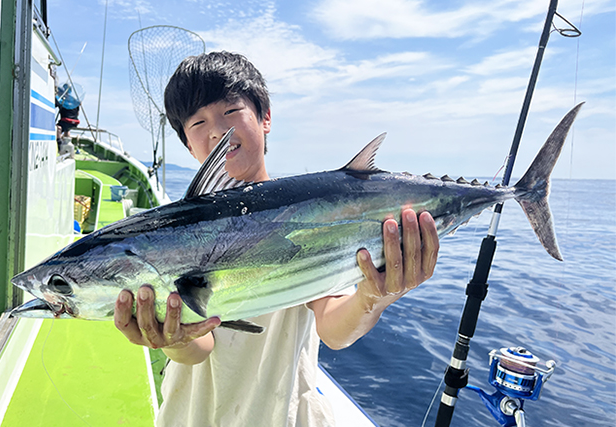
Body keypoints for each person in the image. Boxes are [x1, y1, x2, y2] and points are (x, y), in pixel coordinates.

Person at [113, 51, 439, 426]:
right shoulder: (170, 237)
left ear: (265, 117)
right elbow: (199, 347)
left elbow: (333, 328)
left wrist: (374, 295)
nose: (217, 130)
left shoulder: (306, 214)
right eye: (198, 122)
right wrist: (171, 337)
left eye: (231, 112)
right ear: (188, 144)